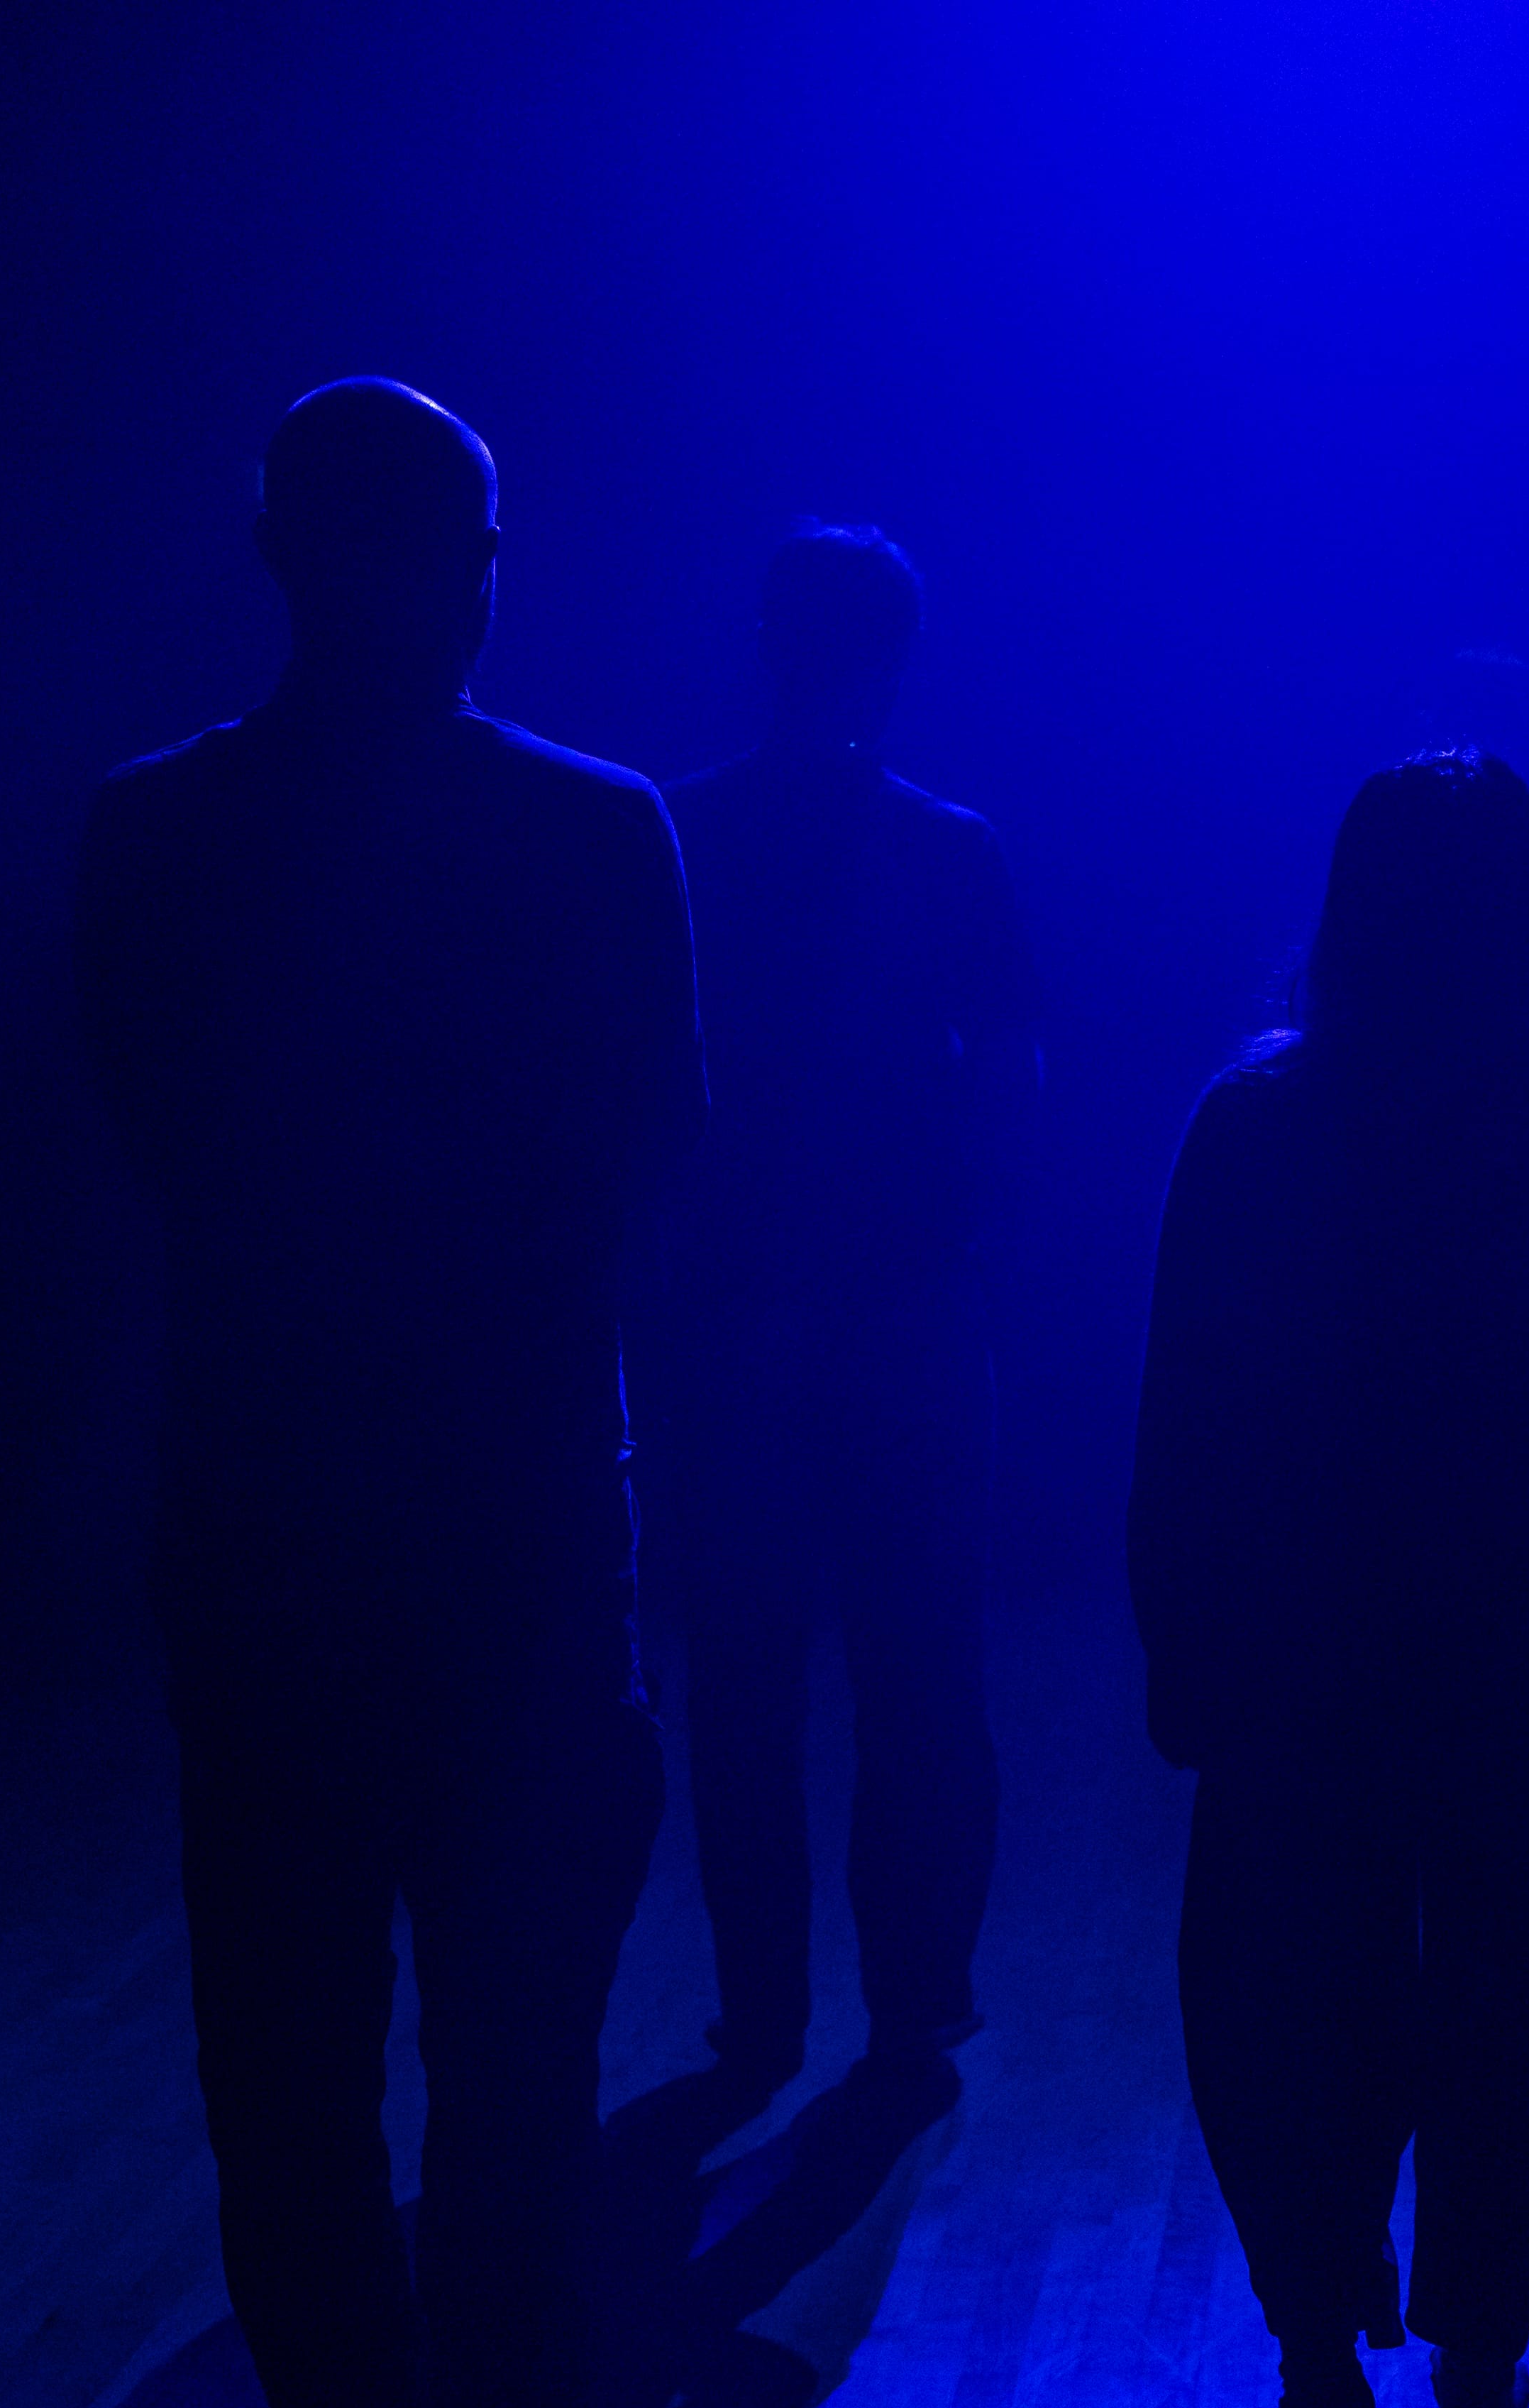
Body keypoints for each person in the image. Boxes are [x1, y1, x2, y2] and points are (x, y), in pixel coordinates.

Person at [72, 378, 702, 2408]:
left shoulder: (153, 834)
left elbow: (152, 1150)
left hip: (263, 1524)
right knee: (517, 2066)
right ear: (475, 567)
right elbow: (660, 1168)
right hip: (521, 1530)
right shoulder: (597, 832)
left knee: (288, 2065)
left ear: (277, 555)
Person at [1130, 750, 1529, 2408]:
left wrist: (1180, 1634)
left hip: (1297, 1655)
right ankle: (1482, 2370)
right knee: (1524, 2003)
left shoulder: (1255, 1127)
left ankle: (1319, 2346)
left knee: (1276, 2009)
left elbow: (1179, 1410)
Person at [646, 524, 1034, 2129]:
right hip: (905, 1310)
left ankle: (760, 2010)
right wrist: (957, 1232)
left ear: (767, 642)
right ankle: (914, 2002)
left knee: (744, 1681)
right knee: (922, 1674)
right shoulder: (947, 848)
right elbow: (1006, 1074)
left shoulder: (680, 833)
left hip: (733, 1315)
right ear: (896, 659)